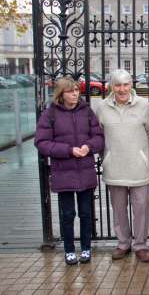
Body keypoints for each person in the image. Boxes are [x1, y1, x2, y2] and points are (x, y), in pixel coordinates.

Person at [35, 76, 104, 265]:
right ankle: (69, 249)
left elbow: (99, 136)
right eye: (70, 91)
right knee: (67, 214)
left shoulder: (87, 111)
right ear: (61, 94)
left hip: (85, 170)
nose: (74, 94)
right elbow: (41, 142)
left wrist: (89, 147)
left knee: (85, 213)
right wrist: (68, 150)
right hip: (63, 171)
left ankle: (86, 248)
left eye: (76, 90)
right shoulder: (50, 114)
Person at [96, 69, 149, 262]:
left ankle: (140, 245)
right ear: (111, 87)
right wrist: (106, 157)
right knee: (119, 208)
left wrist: (144, 156)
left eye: (126, 84)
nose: (122, 89)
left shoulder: (143, 105)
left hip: (139, 167)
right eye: (117, 85)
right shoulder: (102, 107)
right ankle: (123, 243)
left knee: (141, 208)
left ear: (131, 85)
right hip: (115, 166)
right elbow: (98, 135)